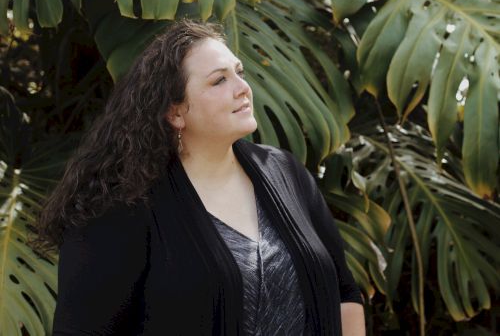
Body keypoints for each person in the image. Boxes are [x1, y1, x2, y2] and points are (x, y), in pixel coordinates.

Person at [36, 19, 365, 335]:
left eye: (239, 72)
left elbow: (344, 293)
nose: (243, 89)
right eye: (219, 80)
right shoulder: (124, 203)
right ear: (175, 112)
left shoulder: (285, 173)